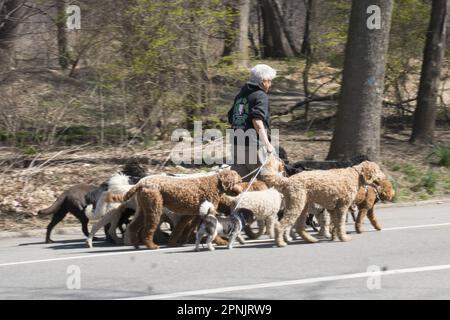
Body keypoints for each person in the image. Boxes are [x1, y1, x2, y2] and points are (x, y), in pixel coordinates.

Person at [228, 64, 277, 181]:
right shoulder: (261, 96)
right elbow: (257, 120)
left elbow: (231, 117)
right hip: (254, 146)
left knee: (239, 184)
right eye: (270, 81)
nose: (270, 84)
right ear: (264, 81)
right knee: (265, 182)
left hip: (236, 144)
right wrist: (268, 145)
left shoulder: (240, 95)